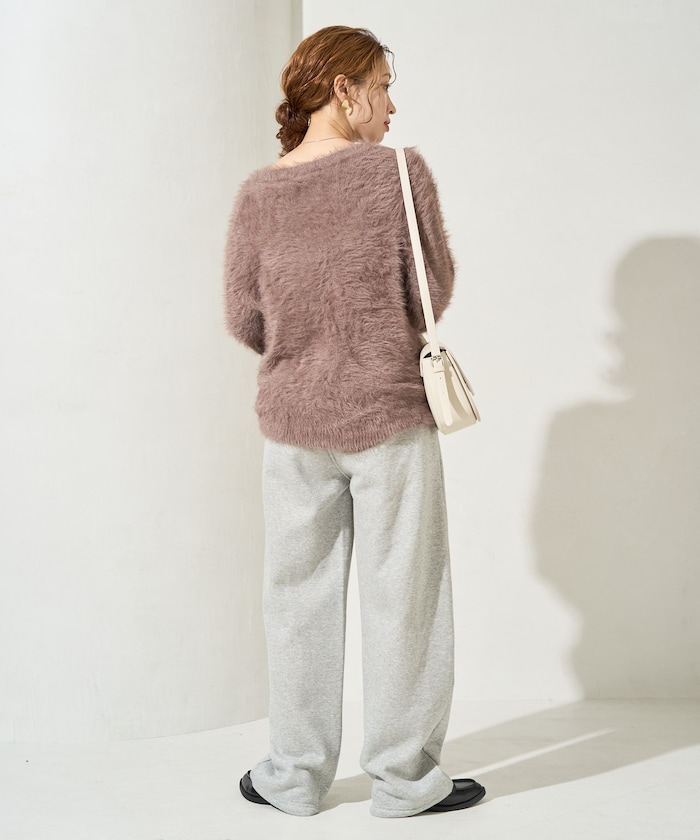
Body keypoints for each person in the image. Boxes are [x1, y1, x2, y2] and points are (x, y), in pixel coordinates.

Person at [222, 25, 485, 818]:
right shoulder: (398, 175)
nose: (391, 105)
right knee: (405, 597)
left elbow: (244, 319)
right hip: (388, 417)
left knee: (295, 600)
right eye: (382, 85)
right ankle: (404, 783)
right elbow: (433, 292)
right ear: (345, 88)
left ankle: (294, 777)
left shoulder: (258, 193)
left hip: (293, 425)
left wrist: (307, 350)